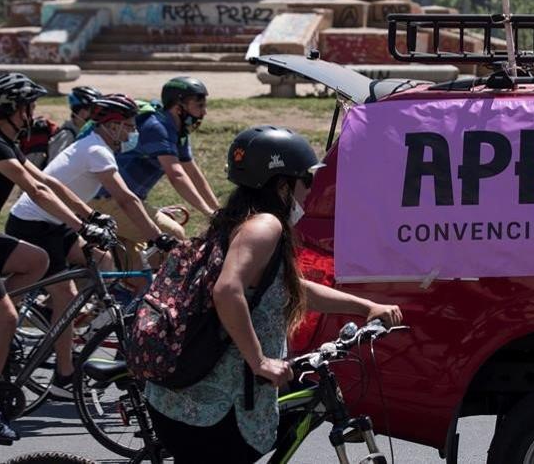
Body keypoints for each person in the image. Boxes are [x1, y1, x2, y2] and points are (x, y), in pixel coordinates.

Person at [144, 126, 404, 464]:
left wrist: (366, 307)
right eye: (307, 180)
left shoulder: (238, 219)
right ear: (282, 184)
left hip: (186, 401)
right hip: (212, 411)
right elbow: (227, 289)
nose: (311, 190)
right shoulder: (265, 225)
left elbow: (292, 288)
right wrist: (260, 360)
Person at [0, 72, 116, 441]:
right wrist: (80, 224)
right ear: (15, 109)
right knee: (7, 320)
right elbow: (37, 190)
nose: (34, 113)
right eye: (31, 106)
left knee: (37, 260)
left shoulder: (6, 143)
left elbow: (50, 182)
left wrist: (90, 216)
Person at [5, 93, 170, 399]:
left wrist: (93, 219)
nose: (133, 133)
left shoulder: (95, 146)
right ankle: (64, 376)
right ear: (112, 126)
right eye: (129, 127)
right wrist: (156, 236)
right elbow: (126, 198)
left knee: (103, 261)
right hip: (34, 224)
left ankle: (76, 317)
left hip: (55, 223)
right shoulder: (96, 149)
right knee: (67, 298)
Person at [90, 76, 217, 259]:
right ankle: (172, 287)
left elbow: (193, 173)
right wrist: (208, 213)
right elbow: (176, 175)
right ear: (178, 107)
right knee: (174, 234)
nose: (204, 113)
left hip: (126, 200)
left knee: (141, 270)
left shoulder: (178, 131)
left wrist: (217, 211)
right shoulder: (157, 127)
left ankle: (138, 288)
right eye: (199, 106)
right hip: (107, 200)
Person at [48, 85, 101, 162]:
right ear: (82, 112)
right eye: (93, 111)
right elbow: (54, 164)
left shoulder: (85, 132)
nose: (97, 115)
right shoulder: (66, 136)